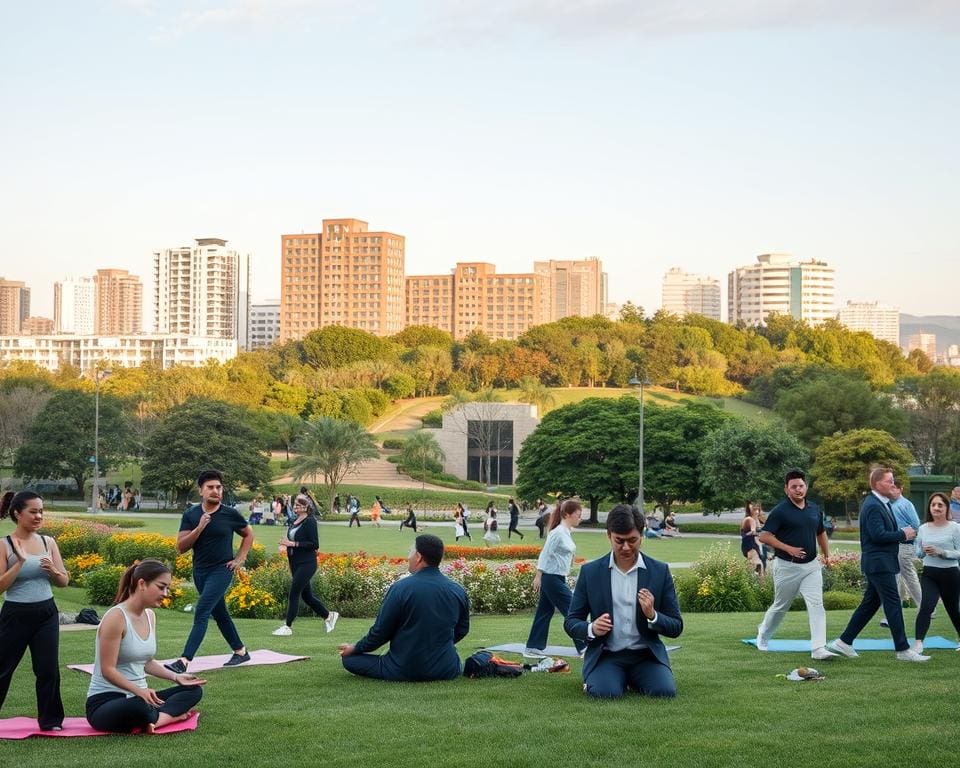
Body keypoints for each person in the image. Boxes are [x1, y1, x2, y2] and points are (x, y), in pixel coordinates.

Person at [564, 504, 683, 699]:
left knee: (664, 692)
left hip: (646, 655)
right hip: (607, 654)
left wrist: (652, 615)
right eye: (619, 541)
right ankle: (608, 678)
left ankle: (631, 678)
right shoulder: (591, 572)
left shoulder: (659, 572)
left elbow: (676, 626)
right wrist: (591, 628)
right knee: (604, 693)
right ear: (608, 535)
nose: (626, 547)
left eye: (632, 540)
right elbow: (571, 622)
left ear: (642, 536)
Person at [86, 560, 205, 733]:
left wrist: (176, 677)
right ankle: (169, 717)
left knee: (193, 690)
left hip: (141, 697)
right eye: (161, 587)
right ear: (142, 583)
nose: (165, 593)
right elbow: (108, 669)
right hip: (106, 702)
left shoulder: (150, 616)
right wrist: (139, 692)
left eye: (167, 588)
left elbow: (147, 662)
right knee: (139, 706)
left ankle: (155, 720)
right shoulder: (116, 617)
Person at [827, 467, 928, 662]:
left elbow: (880, 533)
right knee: (892, 603)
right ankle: (902, 649)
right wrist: (902, 534)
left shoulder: (882, 503)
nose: (893, 484)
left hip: (881, 562)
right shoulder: (873, 504)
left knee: (870, 604)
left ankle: (844, 641)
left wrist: (900, 533)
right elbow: (877, 535)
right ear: (877, 484)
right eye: (889, 481)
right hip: (879, 563)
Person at [339, 534, 470, 681]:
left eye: (410, 552)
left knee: (349, 660)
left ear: (419, 556)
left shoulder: (401, 588)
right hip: (446, 669)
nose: (408, 556)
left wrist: (355, 648)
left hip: (402, 669)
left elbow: (380, 632)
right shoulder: (457, 590)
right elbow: (462, 629)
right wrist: (435, 646)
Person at [164, 469, 254, 675]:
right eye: (210, 488)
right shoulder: (191, 515)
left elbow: (248, 534)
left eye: (218, 487)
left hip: (222, 570)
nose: (215, 491)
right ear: (201, 491)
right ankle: (240, 651)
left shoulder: (230, 514)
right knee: (219, 612)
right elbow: (181, 547)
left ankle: (184, 660)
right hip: (200, 572)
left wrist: (240, 559)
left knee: (202, 610)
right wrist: (199, 528)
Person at [0, 490, 68, 730]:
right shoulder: (5, 544)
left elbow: (64, 581)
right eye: (34, 511)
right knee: (3, 668)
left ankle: (50, 721)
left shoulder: (48, 542)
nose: (39, 516)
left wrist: (54, 571)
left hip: (46, 613)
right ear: (18, 513)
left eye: (41, 511)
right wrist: (19, 561)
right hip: (15, 614)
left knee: (48, 669)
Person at [756, 469, 836, 660]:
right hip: (786, 566)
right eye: (794, 487)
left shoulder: (814, 509)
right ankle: (763, 635)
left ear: (806, 487)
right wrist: (788, 548)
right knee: (781, 606)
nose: (798, 490)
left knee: (817, 605)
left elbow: (821, 533)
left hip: (811, 566)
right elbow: (764, 535)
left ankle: (818, 649)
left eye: (801, 486)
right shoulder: (780, 511)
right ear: (786, 489)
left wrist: (827, 555)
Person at [525, 498, 587, 658]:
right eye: (578, 515)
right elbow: (545, 554)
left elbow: (562, 554)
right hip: (550, 578)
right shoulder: (557, 532)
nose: (580, 518)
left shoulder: (566, 532)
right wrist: (538, 576)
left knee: (545, 611)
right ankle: (584, 646)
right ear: (567, 515)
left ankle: (533, 647)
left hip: (558, 577)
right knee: (573, 610)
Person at [272, 494, 339, 637]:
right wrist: (285, 545)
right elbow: (293, 540)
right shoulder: (294, 521)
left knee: (294, 592)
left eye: (298, 504)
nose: (295, 507)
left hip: (307, 563)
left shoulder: (310, 522)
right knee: (307, 596)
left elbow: (314, 544)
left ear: (306, 507)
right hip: (295, 562)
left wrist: (293, 544)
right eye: (294, 504)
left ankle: (287, 626)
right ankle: (328, 616)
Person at [911, 492, 960, 654]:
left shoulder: (955, 527)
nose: (936, 508)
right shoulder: (923, 528)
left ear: (947, 508)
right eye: (933, 505)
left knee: (953, 609)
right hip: (930, 574)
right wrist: (923, 551)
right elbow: (917, 552)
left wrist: (942, 552)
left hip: (950, 574)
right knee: (926, 606)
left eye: (940, 505)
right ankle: (918, 643)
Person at [879, 479, 922, 628]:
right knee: (894, 579)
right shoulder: (886, 505)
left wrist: (909, 539)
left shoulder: (906, 505)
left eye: (893, 488)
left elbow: (916, 526)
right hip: (891, 546)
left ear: (900, 489)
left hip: (904, 546)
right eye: (889, 488)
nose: (890, 491)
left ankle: (925, 608)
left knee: (908, 576)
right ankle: (890, 616)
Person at [741, 502, 764, 575]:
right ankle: (758, 582)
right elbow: (754, 531)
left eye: (758, 509)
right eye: (754, 509)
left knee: (753, 566)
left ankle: (751, 579)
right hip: (750, 546)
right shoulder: (749, 519)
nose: (757, 511)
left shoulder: (755, 519)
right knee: (759, 565)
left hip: (752, 545)